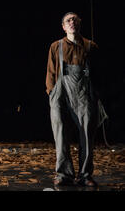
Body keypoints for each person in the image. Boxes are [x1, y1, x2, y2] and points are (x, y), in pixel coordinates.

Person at [46, 12, 102, 187]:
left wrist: (96, 96)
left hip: (84, 95)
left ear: (79, 24)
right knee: (61, 135)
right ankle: (64, 174)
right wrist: (52, 93)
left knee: (86, 134)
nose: (72, 22)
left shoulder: (90, 46)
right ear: (63, 26)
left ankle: (85, 175)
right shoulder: (56, 46)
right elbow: (51, 73)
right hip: (61, 94)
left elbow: (99, 74)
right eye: (68, 20)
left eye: (74, 20)